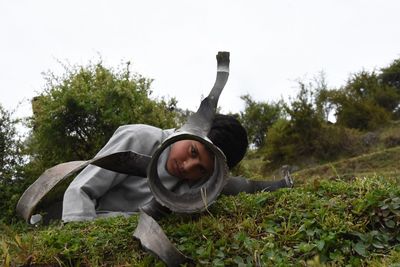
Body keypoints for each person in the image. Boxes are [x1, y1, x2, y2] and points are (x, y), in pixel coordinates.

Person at [62, 114, 293, 222]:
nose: (188, 167)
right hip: (84, 219)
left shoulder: (199, 185)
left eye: (201, 169)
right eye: (193, 151)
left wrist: (280, 184)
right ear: (189, 132)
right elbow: (79, 191)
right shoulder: (139, 138)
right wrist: (80, 231)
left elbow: (241, 186)